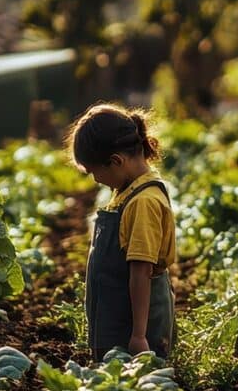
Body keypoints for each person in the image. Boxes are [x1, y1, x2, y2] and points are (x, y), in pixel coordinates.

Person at [67, 103, 176, 360]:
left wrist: (139, 336)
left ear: (116, 161)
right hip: (119, 319)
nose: (95, 180)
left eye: (95, 172)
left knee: (139, 386)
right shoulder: (126, 192)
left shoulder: (143, 202)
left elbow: (141, 271)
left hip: (134, 325)